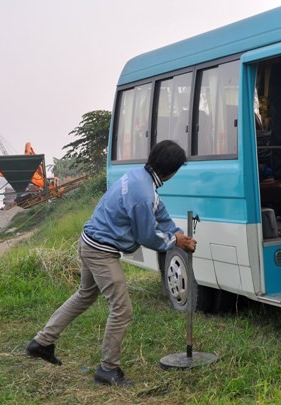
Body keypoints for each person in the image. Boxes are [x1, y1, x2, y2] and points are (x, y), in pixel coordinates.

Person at [25, 140, 197, 387]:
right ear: (171, 171)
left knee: (85, 295)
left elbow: (158, 211)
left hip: (89, 242)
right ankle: (108, 370)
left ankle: (41, 343)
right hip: (100, 251)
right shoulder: (142, 192)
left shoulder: (139, 176)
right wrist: (175, 240)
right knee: (122, 310)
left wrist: (176, 232)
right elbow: (146, 235)